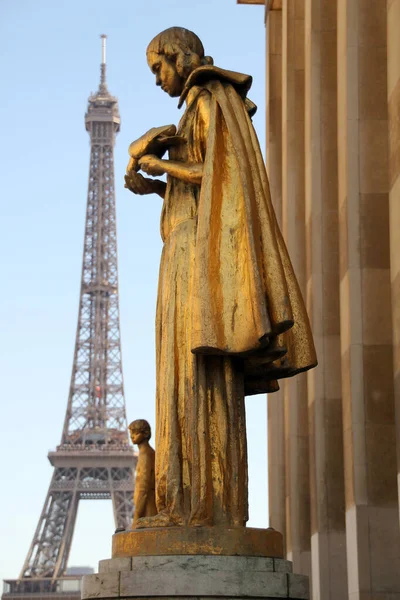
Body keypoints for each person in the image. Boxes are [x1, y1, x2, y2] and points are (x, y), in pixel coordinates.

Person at [125, 27, 317, 529]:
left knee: (196, 375)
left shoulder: (212, 97)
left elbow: (219, 175)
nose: (158, 79)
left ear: (182, 56)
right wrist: (152, 182)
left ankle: (197, 505)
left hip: (197, 256)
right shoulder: (195, 109)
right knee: (183, 374)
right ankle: (183, 500)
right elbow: (202, 186)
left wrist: (155, 159)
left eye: (158, 68)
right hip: (185, 249)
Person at [128, 419, 156, 528]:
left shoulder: (146, 454)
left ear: (145, 433)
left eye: (135, 433)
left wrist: (137, 516)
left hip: (147, 508)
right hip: (145, 506)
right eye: (131, 433)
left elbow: (144, 487)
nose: (131, 436)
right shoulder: (145, 453)